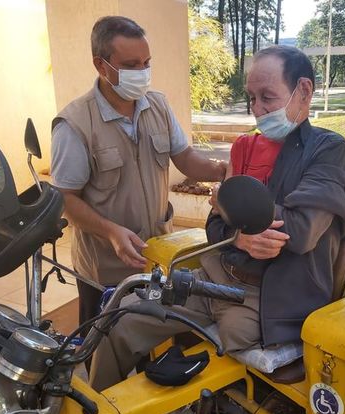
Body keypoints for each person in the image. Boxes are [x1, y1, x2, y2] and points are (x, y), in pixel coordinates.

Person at [89, 45, 345, 391]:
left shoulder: (328, 149)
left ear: (303, 91)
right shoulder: (245, 147)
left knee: (202, 366)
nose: (257, 110)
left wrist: (230, 208)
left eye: (267, 97)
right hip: (216, 278)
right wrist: (239, 232)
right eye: (251, 98)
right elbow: (214, 226)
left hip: (270, 299)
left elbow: (302, 231)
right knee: (120, 317)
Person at [50, 16, 226, 331]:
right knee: (101, 345)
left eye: (146, 62)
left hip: (158, 254)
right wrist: (111, 232)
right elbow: (65, 198)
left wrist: (221, 170)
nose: (142, 72)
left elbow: (183, 156)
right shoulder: (75, 123)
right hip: (104, 267)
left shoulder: (157, 105)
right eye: (131, 65)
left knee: (151, 337)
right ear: (101, 66)